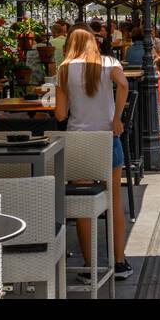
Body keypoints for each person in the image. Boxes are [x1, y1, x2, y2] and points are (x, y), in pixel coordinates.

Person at [54, 26, 132, 280]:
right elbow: (124, 84)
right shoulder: (108, 62)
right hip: (107, 137)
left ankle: (90, 267)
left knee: (84, 206)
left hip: (79, 141)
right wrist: (116, 118)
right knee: (115, 202)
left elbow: (60, 115)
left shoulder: (64, 69)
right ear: (93, 42)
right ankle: (119, 262)